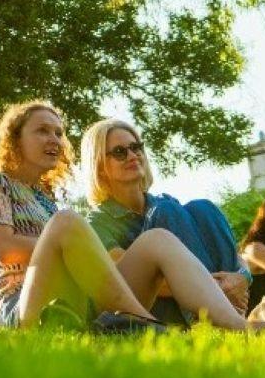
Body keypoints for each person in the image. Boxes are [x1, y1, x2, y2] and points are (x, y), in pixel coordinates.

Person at [0, 100, 265, 332]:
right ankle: (148, 325)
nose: (54, 140)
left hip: (76, 302)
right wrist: (77, 249)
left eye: (58, 133)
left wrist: (82, 253)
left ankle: (242, 327)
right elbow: (3, 247)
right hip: (26, 307)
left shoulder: (47, 199)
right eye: (42, 131)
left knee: (158, 239)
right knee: (68, 222)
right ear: (16, 139)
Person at [80, 118, 249, 318]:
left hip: (215, 296)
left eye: (136, 147)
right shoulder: (97, 222)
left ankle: (232, 314)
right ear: (99, 166)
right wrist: (214, 291)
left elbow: (238, 256)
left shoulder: (165, 203)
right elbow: (131, 282)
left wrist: (243, 277)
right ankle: (214, 315)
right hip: (159, 310)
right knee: (167, 211)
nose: (133, 155)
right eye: (120, 152)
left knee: (203, 207)